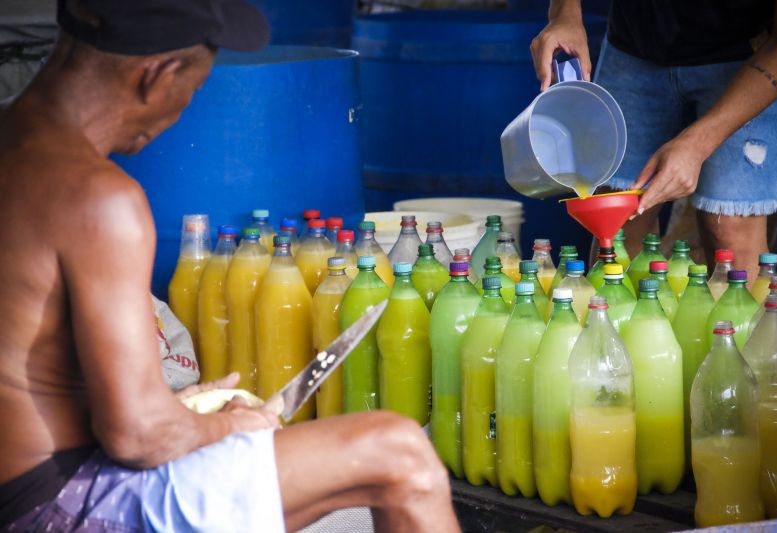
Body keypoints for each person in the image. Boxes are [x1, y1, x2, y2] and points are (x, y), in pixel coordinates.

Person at [0, 1, 459, 531]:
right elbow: (139, 435)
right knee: (400, 452)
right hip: (61, 505)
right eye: (193, 90)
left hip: (21, 482)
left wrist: (179, 412)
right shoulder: (99, 200)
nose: (181, 113)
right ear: (158, 75)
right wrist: (232, 426)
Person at [531, 0, 777, 280]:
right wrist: (565, 15)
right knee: (618, 221)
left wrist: (697, 144)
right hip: (635, 42)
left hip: (749, 56)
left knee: (730, 230)